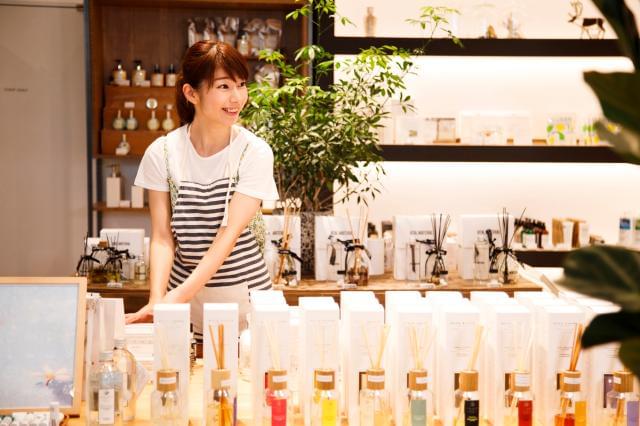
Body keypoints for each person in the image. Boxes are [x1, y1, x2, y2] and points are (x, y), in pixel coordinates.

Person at [126, 41, 278, 341]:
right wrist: (157, 298)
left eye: (241, 85)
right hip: (182, 301)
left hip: (246, 299)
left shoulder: (254, 152)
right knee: (183, 366)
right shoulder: (163, 152)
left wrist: (175, 297)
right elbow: (162, 237)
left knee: (245, 365)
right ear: (191, 93)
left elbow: (228, 235)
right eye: (223, 86)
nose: (237, 97)